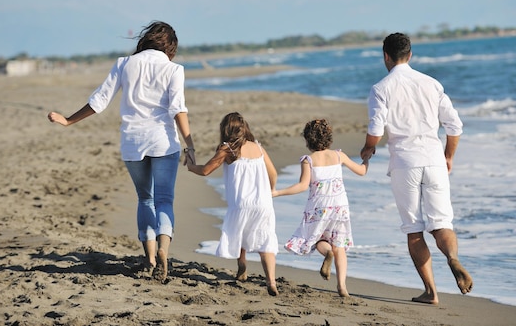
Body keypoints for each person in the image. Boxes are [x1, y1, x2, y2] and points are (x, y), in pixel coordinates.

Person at [47, 20, 195, 282]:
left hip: (133, 142)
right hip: (163, 142)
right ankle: (163, 249)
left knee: (145, 199)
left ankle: (149, 259)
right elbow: (178, 109)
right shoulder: (174, 69)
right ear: (170, 47)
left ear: (146, 40)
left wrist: (68, 120)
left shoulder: (124, 64)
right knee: (164, 200)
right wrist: (190, 143)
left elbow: (99, 101)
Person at [360, 32, 473, 305]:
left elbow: (376, 128)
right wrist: (448, 156)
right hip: (434, 158)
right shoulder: (432, 84)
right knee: (441, 222)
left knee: (414, 230)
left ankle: (431, 292)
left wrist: (368, 148)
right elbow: (454, 126)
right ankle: (454, 259)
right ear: (410, 55)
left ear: (385, 56)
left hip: (404, 163)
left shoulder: (381, 88)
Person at [184, 112, 280, 296]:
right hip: (264, 203)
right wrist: (272, 190)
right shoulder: (258, 147)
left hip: (241, 203)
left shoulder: (227, 149)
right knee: (266, 242)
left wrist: (190, 166)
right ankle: (272, 282)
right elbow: (273, 173)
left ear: (225, 130)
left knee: (239, 231)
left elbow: (205, 171)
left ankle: (242, 264)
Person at [273, 118, 368, 297]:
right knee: (339, 245)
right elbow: (362, 171)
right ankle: (342, 287)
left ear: (308, 140)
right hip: (340, 206)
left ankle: (327, 254)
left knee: (318, 241)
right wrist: (367, 159)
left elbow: (302, 186)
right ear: (329, 138)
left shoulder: (308, 160)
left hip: (319, 207)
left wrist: (278, 192)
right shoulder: (339, 155)